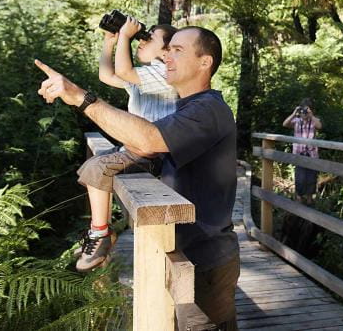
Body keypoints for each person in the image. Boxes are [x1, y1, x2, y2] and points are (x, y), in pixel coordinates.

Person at [35, 26, 239, 329]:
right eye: (168, 49)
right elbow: (142, 140)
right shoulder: (188, 108)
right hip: (183, 250)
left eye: (178, 50)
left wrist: (80, 96)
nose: (168, 55)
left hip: (204, 260)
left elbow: (149, 138)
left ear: (204, 62)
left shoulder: (207, 109)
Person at [74, 17, 178, 272]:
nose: (142, 41)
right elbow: (107, 74)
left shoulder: (163, 73)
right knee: (91, 167)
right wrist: (110, 42)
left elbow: (122, 71)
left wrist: (125, 37)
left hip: (153, 154)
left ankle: (100, 234)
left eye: (149, 37)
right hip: (136, 147)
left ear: (167, 52)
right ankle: (99, 230)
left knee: (96, 169)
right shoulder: (145, 76)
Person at [282, 98, 322, 204]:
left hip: (312, 154)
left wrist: (311, 115)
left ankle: (309, 199)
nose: (304, 113)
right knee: (300, 177)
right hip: (299, 153)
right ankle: (299, 198)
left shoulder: (313, 121)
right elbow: (285, 124)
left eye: (306, 111)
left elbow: (319, 126)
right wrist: (294, 113)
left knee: (311, 177)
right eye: (303, 111)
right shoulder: (296, 121)